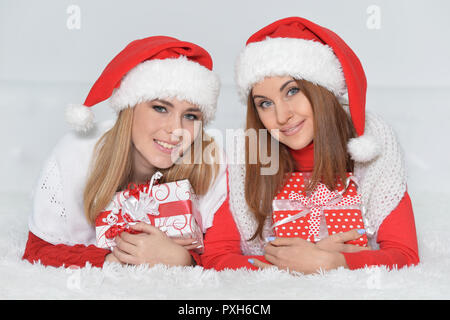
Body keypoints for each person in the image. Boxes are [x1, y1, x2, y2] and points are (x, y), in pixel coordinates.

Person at [200, 17, 419, 273]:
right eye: (265, 103)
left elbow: (405, 255)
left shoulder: (373, 141)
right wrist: (291, 265)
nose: (282, 116)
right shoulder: (242, 154)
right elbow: (216, 258)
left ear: (322, 89)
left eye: (292, 91)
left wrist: (335, 263)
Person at [22, 36, 228, 268]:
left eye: (191, 116)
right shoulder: (76, 154)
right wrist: (116, 258)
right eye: (160, 108)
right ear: (129, 108)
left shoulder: (212, 162)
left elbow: (224, 256)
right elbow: (38, 250)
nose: (176, 130)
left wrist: (181, 259)